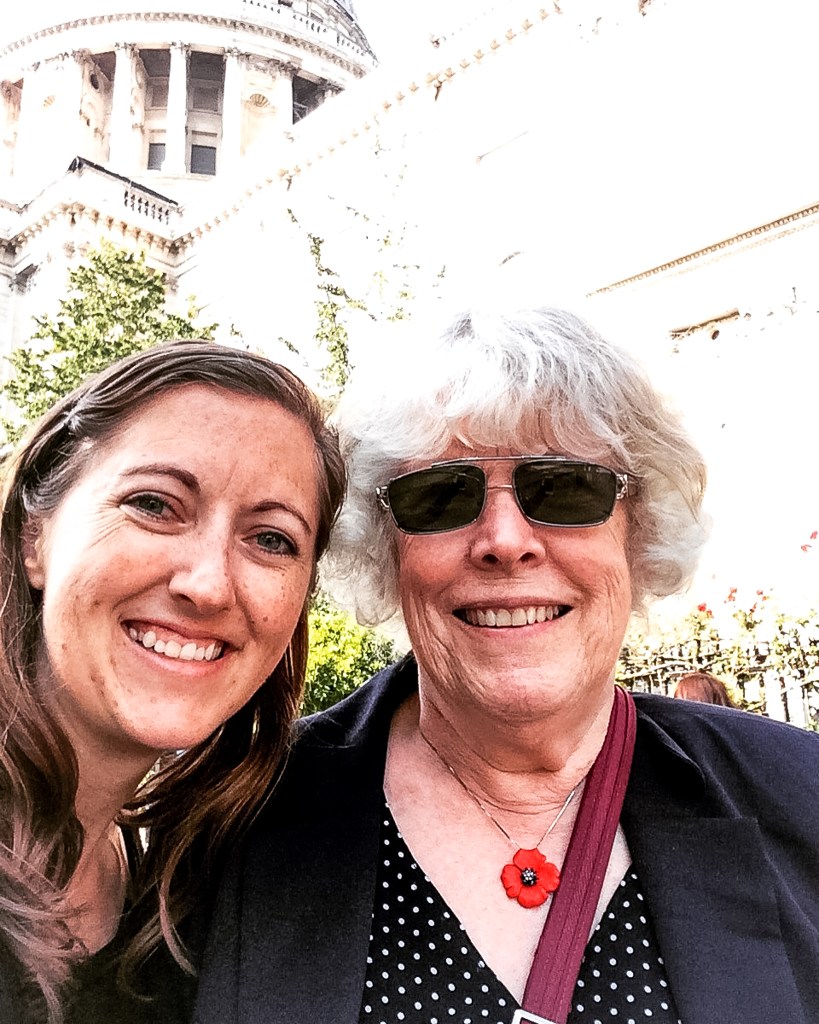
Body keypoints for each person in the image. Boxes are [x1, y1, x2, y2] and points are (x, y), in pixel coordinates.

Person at [193, 306, 819, 1024]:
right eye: (439, 495)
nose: (503, 539)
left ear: (637, 527)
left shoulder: (800, 799)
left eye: (563, 487)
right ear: (384, 546)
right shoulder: (235, 814)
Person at [0, 340, 345, 1024]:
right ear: (35, 536)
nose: (209, 584)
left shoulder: (173, 889)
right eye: (155, 504)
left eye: (271, 539)